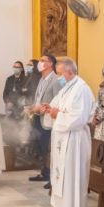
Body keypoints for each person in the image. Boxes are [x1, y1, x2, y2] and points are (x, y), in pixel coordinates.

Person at [44, 58, 94, 207]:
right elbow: (56, 105)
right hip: (64, 139)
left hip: (75, 140)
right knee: (63, 177)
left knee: (73, 177)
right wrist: (48, 108)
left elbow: (78, 118)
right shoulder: (67, 87)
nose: (59, 77)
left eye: (60, 74)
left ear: (69, 72)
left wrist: (57, 114)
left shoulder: (82, 89)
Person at [28, 53, 63, 189]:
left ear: (50, 64)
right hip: (38, 117)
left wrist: (45, 108)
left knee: (49, 148)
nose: (40, 63)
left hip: (48, 119)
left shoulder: (55, 80)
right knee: (41, 147)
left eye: (43, 60)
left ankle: (51, 175)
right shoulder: (42, 78)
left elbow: (58, 100)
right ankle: (44, 172)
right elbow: (39, 97)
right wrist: (34, 107)